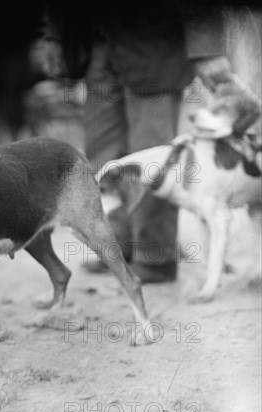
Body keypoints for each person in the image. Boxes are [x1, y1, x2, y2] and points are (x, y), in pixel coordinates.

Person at [48, 3, 233, 282]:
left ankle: (156, 256)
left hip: (154, 45)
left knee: (153, 159)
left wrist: (207, 46)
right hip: (96, 42)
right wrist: (53, 35)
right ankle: (119, 244)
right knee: (104, 155)